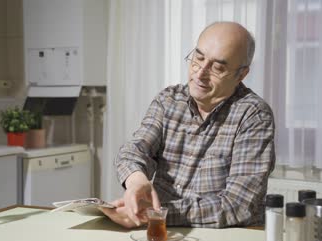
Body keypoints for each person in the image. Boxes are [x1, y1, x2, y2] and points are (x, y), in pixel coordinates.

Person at [100, 21, 275, 228]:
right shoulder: (168, 100)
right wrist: (137, 180)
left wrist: (156, 215)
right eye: (198, 58)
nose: (200, 73)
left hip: (223, 237)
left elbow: (238, 205)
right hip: (160, 232)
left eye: (218, 67)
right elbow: (134, 151)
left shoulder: (254, 115)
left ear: (241, 74)